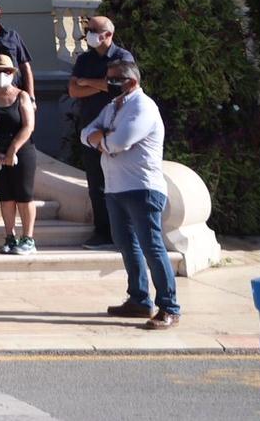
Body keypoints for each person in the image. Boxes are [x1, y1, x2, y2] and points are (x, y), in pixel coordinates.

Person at [84, 61, 178, 329]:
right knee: (127, 245)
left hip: (142, 187)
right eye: (108, 77)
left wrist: (103, 140)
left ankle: (169, 306)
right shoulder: (113, 107)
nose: (109, 83)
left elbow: (119, 142)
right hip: (115, 187)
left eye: (115, 79)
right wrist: (103, 138)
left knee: (152, 247)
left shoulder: (143, 107)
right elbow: (85, 133)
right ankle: (139, 299)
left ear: (132, 82)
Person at [68, 13, 136, 248]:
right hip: (90, 127)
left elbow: (121, 87)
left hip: (117, 129)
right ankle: (102, 231)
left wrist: (88, 82)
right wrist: (102, 86)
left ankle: (125, 232)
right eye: (89, 30)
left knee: (120, 180)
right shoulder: (85, 59)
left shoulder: (122, 57)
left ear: (109, 35)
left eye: (94, 31)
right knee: (96, 182)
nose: (89, 35)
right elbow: (74, 91)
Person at [0, 53, 38, 253]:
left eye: (5, 71)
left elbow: (28, 126)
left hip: (21, 152)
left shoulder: (21, 96)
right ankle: (10, 236)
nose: (1, 75)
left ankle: (28, 238)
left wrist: (12, 151)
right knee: (5, 197)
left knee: (24, 195)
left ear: (12, 73)